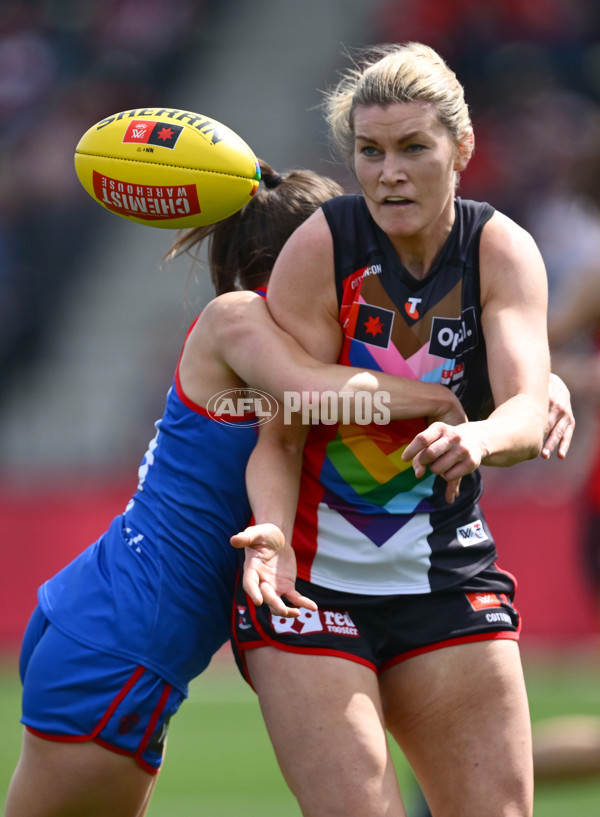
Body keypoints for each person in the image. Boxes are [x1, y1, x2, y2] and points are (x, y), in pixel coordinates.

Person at [6, 160, 483, 817]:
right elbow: (305, 391)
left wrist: (535, 384)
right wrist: (439, 399)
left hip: (117, 627)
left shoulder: (317, 343)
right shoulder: (238, 317)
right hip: (120, 638)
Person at [231, 42, 565, 817]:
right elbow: (278, 437)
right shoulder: (325, 246)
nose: (389, 172)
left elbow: (528, 406)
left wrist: (476, 438)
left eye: (415, 147)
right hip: (308, 587)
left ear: (463, 148)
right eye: (370, 151)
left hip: (446, 581)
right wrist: (273, 538)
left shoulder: (499, 249)